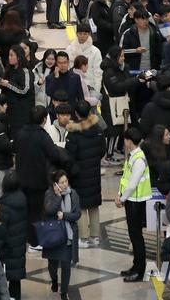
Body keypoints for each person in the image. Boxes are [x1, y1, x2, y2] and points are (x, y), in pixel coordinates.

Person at [13, 105, 71, 251]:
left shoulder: (20, 133)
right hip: (36, 179)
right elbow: (53, 154)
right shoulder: (42, 135)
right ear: (44, 119)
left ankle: (26, 238)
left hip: (20, 177)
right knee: (36, 211)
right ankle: (34, 242)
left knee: (25, 210)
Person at [66, 99, 106, 248]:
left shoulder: (73, 133)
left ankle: (83, 238)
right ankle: (95, 236)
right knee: (94, 204)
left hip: (79, 173)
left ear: (75, 113)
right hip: (94, 171)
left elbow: (70, 156)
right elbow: (102, 150)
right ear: (90, 112)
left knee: (81, 205)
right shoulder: (98, 129)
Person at [115, 127, 152, 282]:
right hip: (131, 200)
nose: (124, 142)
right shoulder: (133, 156)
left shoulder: (138, 159)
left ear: (129, 141)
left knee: (136, 237)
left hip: (137, 202)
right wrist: (119, 193)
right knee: (133, 234)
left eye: (125, 139)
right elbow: (126, 178)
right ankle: (135, 265)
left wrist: (122, 198)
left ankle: (139, 270)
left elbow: (132, 184)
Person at [42, 169, 80, 300]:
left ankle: (64, 292)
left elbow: (77, 214)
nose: (65, 185)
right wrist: (58, 198)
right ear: (55, 184)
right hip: (54, 236)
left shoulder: (73, 194)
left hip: (68, 235)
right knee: (53, 264)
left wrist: (65, 216)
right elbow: (49, 211)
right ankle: (54, 279)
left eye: (66, 181)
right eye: (61, 182)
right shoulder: (49, 194)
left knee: (66, 266)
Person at [0, 171, 28, 300]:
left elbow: (1, 230)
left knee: (3, 277)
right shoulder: (23, 200)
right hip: (19, 245)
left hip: (7, 248)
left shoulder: (5, 206)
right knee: (15, 278)